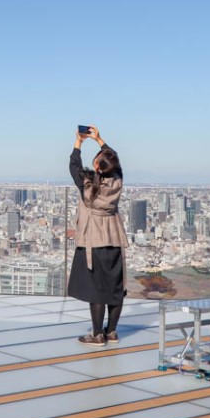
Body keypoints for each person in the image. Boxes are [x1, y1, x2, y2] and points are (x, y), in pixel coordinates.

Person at [67, 126, 129, 346]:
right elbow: (116, 164)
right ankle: (111, 332)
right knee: (115, 288)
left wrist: (79, 142)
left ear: (96, 166)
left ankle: (96, 335)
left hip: (93, 241)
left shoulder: (88, 183)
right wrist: (100, 140)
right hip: (114, 239)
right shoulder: (117, 182)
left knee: (97, 290)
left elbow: (73, 166)